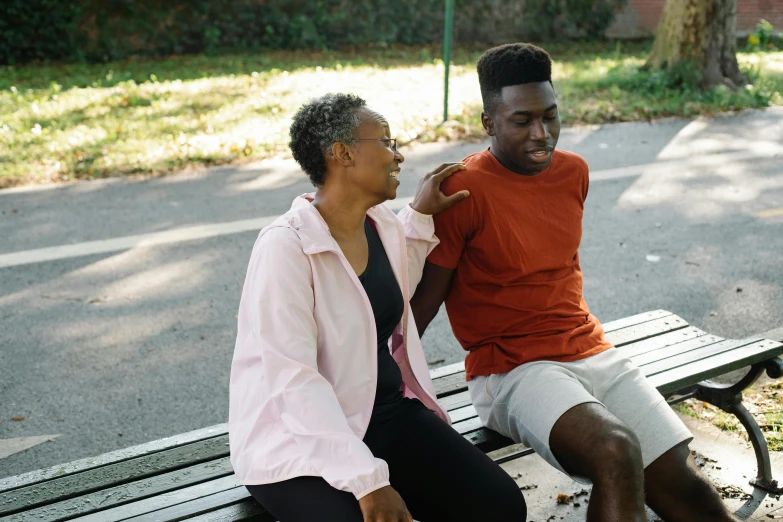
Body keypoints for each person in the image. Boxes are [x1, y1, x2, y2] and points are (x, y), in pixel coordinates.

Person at [410, 43, 742, 522]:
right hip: (511, 370)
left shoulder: (573, 171)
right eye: (522, 121)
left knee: (687, 488)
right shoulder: (463, 191)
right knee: (615, 450)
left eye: (550, 115)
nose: (541, 134)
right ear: (489, 123)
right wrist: (376, 389)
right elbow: (421, 306)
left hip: (591, 351)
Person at [229, 93, 527, 522]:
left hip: (384, 413)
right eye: (386, 142)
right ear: (343, 154)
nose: (398, 154)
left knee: (499, 505)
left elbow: (384, 284)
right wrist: (368, 482)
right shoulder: (286, 248)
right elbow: (294, 382)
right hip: (295, 438)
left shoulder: (381, 223)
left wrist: (421, 215)